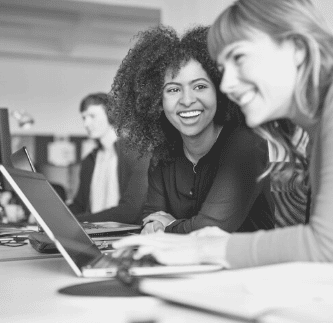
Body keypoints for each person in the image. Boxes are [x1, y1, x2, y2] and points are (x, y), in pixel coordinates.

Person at [114, 0, 333, 274]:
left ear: (295, 47)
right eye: (223, 68)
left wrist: (204, 248)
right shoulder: (320, 125)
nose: (228, 84)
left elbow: (332, 247)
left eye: (240, 58)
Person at [108, 25, 275, 234]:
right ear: (157, 100)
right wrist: (157, 226)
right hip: (185, 264)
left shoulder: (247, 144)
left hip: (247, 265)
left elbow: (212, 229)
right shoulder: (163, 154)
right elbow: (151, 218)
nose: (187, 100)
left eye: (200, 86)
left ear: (220, 92)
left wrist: (168, 226)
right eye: (173, 89)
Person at [69, 93, 150, 224]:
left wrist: (77, 221)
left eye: (92, 116)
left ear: (111, 115)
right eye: (84, 118)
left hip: (125, 236)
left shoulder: (137, 154)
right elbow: (79, 206)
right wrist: (53, 218)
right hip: (92, 234)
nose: (86, 124)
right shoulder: (89, 161)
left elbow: (130, 211)